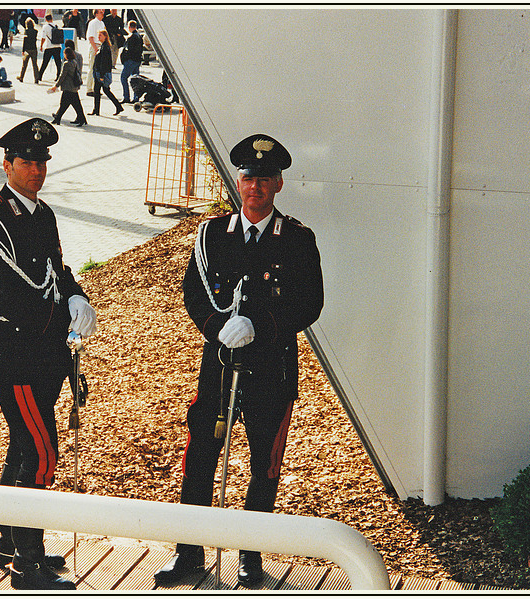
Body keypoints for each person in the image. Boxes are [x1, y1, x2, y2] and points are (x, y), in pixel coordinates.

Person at [154, 134, 324, 588]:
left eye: (265, 179)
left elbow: (310, 303)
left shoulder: (298, 239)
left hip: (273, 370)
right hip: (220, 368)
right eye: (249, 177)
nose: (255, 187)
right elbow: (194, 292)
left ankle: (250, 556)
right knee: (200, 459)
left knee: (263, 466)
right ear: (239, 180)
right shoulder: (213, 233)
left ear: (279, 184)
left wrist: (260, 324)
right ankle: (188, 553)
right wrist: (215, 328)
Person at [0, 117, 97, 590]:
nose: (36, 169)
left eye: (42, 161)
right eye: (26, 161)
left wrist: (77, 294)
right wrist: (62, 315)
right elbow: (0, 299)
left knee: (23, 449)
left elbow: (56, 270)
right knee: (43, 454)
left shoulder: (42, 215)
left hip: (45, 359)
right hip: (16, 359)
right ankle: (29, 564)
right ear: (7, 164)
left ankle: (12, 543)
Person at [88, 30, 123, 117]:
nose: (99, 37)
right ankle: (97, 110)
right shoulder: (103, 46)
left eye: (100, 35)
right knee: (100, 90)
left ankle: (116, 107)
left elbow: (105, 62)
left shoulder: (105, 47)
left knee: (103, 90)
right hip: (98, 72)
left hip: (101, 73)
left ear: (105, 36)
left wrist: (102, 75)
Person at [50, 47, 86, 127]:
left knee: (64, 104)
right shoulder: (74, 62)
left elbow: (62, 76)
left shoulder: (67, 64)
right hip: (73, 87)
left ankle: (58, 118)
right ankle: (58, 118)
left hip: (68, 87)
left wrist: (56, 85)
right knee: (75, 104)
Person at [120, 20, 143, 104]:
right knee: (135, 79)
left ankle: (126, 97)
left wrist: (124, 59)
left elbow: (128, 50)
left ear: (129, 27)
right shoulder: (139, 36)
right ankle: (136, 97)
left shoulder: (131, 37)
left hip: (131, 61)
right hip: (137, 60)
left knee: (123, 77)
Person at [84, 9, 105, 94]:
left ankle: (96, 88)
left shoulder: (102, 23)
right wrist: (95, 48)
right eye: (100, 12)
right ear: (96, 14)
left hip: (100, 45)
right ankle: (89, 89)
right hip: (95, 45)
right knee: (92, 67)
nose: (102, 13)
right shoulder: (93, 23)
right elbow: (90, 37)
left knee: (98, 69)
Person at [37, 14, 62, 82]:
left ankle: (40, 76)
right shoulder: (57, 26)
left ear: (46, 19)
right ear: (52, 19)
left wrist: (41, 45)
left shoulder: (45, 27)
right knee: (58, 62)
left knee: (45, 62)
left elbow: (43, 38)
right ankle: (58, 76)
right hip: (57, 46)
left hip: (49, 47)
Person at [16, 18, 39, 84]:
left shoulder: (26, 31)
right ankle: (36, 78)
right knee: (35, 64)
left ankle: (21, 77)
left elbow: (25, 41)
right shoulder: (36, 31)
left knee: (24, 64)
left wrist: (23, 50)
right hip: (34, 49)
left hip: (27, 50)